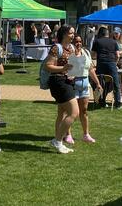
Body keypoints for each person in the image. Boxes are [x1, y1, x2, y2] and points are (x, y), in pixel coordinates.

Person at [43, 25, 78, 153]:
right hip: (58, 82)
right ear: (63, 34)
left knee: (62, 113)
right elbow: (48, 66)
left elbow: (72, 66)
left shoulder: (72, 48)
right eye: (70, 33)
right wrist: (63, 69)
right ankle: (57, 141)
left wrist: (73, 72)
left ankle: (59, 141)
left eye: (73, 33)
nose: (73, 35)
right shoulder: (56, 48)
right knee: (74, 113)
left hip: (68, 81)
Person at [64, 34, 102, 144]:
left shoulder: (86, 53)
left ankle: (86, 134)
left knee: (84, 111)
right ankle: (68, 135)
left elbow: (90, 69)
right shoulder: (69, 54)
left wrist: (97, 83)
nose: (78, 43)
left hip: (85, 84)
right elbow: (65, 68)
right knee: (71, 112)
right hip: (73, 85)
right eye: (76, 41)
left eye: (80, 41)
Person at [92, 27, 122, 109]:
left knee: (100, 83)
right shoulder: (114, 42)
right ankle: (118, 102)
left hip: (101, 64)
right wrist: (115, 63)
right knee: (116, 83)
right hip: (111, 64)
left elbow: (93, 55)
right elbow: (118, 55)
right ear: (108, 34)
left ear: (100, 33)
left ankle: (101, 101)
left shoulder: (97, 41)